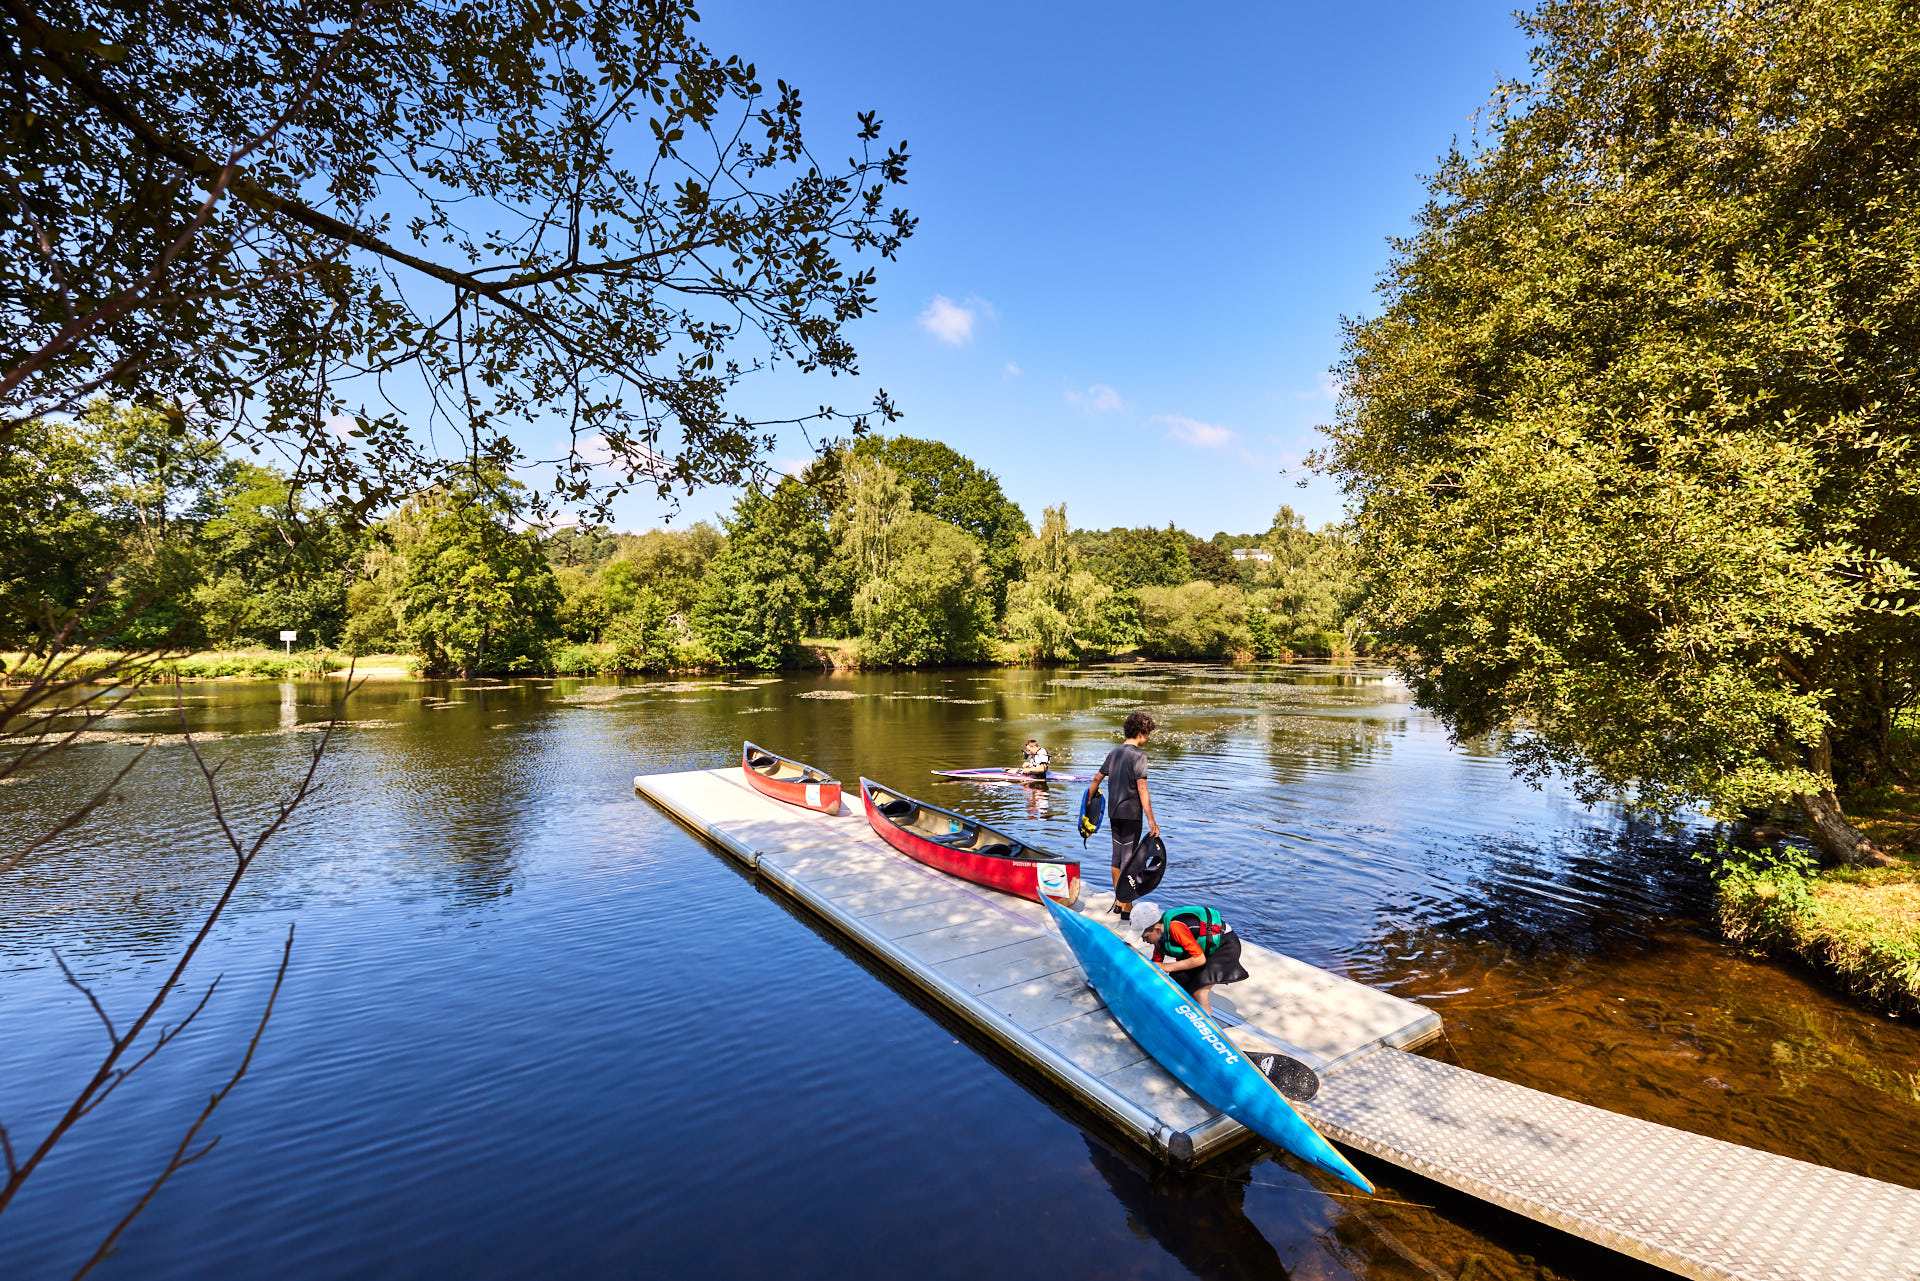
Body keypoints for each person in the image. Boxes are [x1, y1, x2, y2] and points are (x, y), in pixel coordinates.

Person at [1086, 710, 1157, 921]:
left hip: (1114, 813)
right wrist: (1152, 820)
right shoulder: (1139, 756)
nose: (1149, 737)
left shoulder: (1114, 753)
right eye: (1149, 733)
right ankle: (1126, 907)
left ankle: (1119, 901)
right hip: (1131, 814)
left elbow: (1095, 779)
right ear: (1142, 732)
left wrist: (1089, 803)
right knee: (1130, 860)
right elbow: (1142, 789)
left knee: (1117, 857)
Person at [1140, 905, 1248, 1015]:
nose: (1144, 940)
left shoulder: (1175, 927)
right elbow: (1156, 964)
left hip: (1224, 946)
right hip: (1204, 949)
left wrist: (1166, 967)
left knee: (1200, 991)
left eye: (1145, 937)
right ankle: (1187, 1015)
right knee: (1179, 980)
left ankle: (1206, 1025)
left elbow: (1199, 959)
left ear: (1157, 929)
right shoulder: (1159, 936)